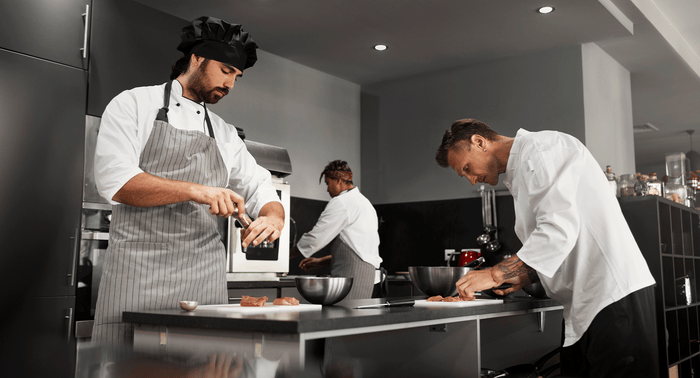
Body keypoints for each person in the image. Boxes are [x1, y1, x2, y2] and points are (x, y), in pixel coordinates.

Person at [92, 16, 284, 344]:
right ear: (196, 59)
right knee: (128, 361)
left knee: (205, 361)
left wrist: (272, 215)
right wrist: (196, 190)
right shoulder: (133, 105)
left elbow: (259, 184)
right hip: (139, 272)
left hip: (203, 276)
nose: (231, 84)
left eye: (237, 76)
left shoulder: (224, 133)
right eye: (226, 71)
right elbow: (116, 182)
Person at [435, 119, 658, 377]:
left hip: (613, 300)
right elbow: (563, 240)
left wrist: (494, 274)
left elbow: (557, 231)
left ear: (479, 142)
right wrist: (521, 276)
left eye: (467, 168)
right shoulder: (524, 169)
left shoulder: (542, 150)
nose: (473, 181)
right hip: (586, 304)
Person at [290, 160, 382, 301]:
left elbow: (316, 238)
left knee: (347, 317)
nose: (327, 189)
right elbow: (358, 247)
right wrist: (321, 261)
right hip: (367, 274)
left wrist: (285, 257)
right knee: (355, 318)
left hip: (353, 273)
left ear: (338, 180)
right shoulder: (365, 203)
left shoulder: (342, 202)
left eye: (327, 183)